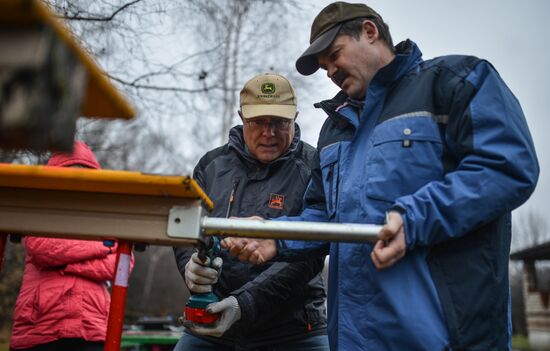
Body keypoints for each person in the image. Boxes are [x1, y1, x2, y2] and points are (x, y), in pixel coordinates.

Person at [223, 2, 540, 350]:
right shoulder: (335, 128)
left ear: (370, 32)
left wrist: (416, 218)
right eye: (324, 66)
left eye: (334, 55)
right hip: (355, 340)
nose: (330, 71)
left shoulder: (455, 82)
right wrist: (276, 237)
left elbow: (507, 166)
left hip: (446, 339)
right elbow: (323, 215)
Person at [173, 73, 329, 351]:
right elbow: (186, 228)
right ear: (241, 117)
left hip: (294, 330)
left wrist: (243, 304)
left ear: (295, 117)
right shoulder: (210, 166)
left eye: (279, 122)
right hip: (211, 324)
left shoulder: (313, 167)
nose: (268, 132)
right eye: (258, 122)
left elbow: (309, 255)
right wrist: (190, 266)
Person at [10, 141, 122, 351]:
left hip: (91, 325)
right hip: (41, 325)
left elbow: (119, 265)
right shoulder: (40, 209)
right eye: (68, 177)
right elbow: (41, 249)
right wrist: (101, 246)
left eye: (83, 178)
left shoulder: (106, 215)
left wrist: (65, 265)